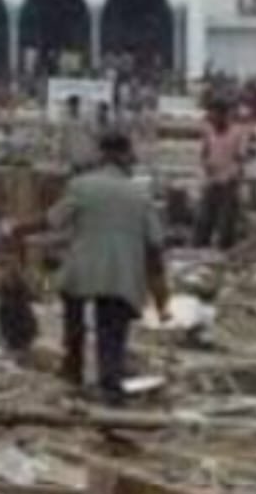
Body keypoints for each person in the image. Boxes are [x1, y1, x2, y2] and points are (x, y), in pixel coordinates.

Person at [47, 130, 168, 405]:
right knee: (111, 330)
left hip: (82, 269)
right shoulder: (139, 194)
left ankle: (73, 369)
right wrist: (161, 295)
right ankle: (110, 385)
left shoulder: (81, 186)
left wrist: (16, 230)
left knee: (73, 316)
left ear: (101, 155)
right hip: (121, 275)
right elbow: (154, 245)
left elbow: (54, 220)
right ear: (126, 156)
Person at [196, 100, 248, 251]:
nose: (213, 119)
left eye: (216, 115)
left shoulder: (237, 133)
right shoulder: (208, 131)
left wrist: (235, 176)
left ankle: (225, 250)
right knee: (204, 218)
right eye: (211, 115)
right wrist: (206, 166)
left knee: (226, 222)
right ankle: (201, 249)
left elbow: (240, 157)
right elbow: (204, 152)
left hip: (228, 182)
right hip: (211, 181)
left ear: (224, 115)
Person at [57, 95, 97, 174]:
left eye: (75, 105)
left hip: (84, 149)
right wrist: (62, 152)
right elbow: (63, 137)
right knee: (72, 171)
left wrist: (92, 150)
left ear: (78, 105)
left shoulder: (85, 118)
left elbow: (91, 135)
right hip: (71, 149)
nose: (73, 107)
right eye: (71, 105)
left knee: (84, 171)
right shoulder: (65, 119)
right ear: (69, 106)